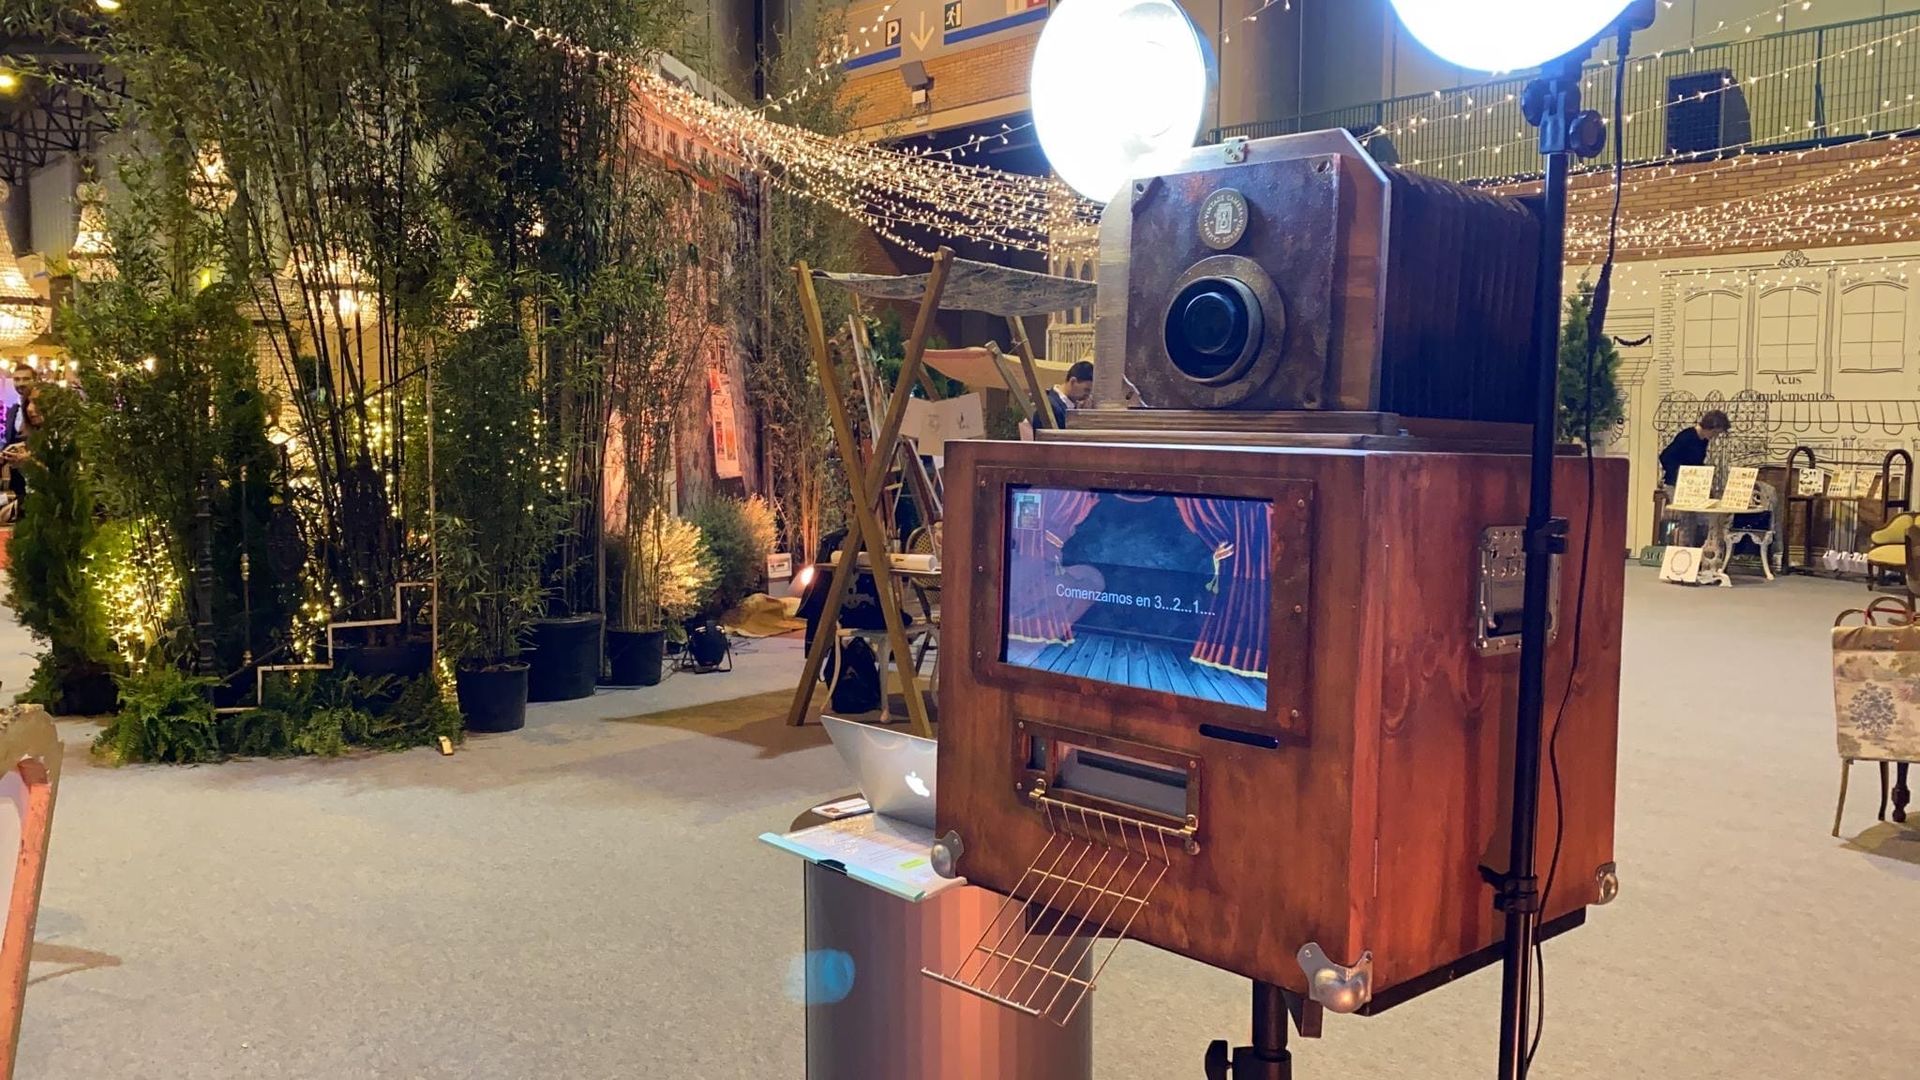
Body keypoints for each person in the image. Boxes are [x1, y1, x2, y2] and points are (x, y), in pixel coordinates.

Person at [1658, 409, 1730, 487]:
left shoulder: (1703, 440)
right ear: (1709, 426)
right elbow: (1665, 457)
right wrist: (1679, 473)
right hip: (1675, 485)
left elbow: (1695, 462)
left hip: (1690, 484)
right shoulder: (1687, 436)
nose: (1715, 436)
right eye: (1715, 432)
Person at [1034, 360, 1095, 430]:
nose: (1087, 395)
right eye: (1086, 390)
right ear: (1073, 382)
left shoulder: (1072, 406)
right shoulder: (1050, 407)